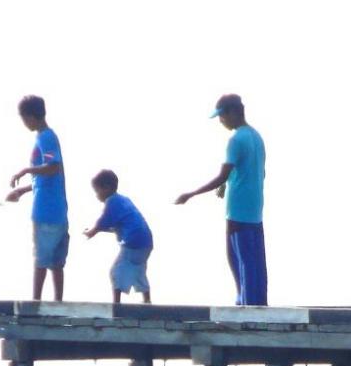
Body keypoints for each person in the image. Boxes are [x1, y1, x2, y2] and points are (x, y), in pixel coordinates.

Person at [175, 93, 267, 306]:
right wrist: (228, 183)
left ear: (233, 112)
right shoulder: (256, 137)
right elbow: (259, 172)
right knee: (255, 263)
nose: (221, 121)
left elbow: (221, 175)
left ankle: (245, 304)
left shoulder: (235, 140)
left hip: (237, 210)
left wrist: (191, 194)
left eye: (222, 116)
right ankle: (257, 302)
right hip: (255, 209)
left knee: (239, 260)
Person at [6, 95, 69, 301]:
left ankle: (36, 302)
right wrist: (22, 191)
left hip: (46, 210)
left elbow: (53, 167)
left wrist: (25, 170)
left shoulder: (46, 138)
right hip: (57, 208)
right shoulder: (46, 137)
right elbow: (44, 179)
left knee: (41, 259)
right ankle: (58, 302)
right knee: (56, 262)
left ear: (30, 117)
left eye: (24, 118)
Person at [83, 169, 153, 303]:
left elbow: (103, 221)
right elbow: (117, 225)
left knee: (116, 271)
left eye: (97, 191)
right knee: (139, 269)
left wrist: (91, 232)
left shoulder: (112, 201)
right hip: (146, 242)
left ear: (107, 188)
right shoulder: (124, 200)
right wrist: (101, 230)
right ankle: (147, 300)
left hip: (133, 241)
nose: (97, 195)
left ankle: (116, 304)